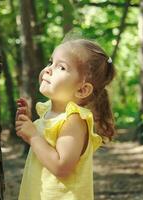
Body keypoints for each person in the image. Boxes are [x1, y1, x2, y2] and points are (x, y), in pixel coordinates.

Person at [15, 38, 116, 200]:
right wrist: (28, 124)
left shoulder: (74, 120)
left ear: (82, 90)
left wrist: (33, 136)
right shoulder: (48, 111)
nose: (48, 70)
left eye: (61, 67)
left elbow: (61, 167)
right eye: (50, 62)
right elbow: (46, 146)